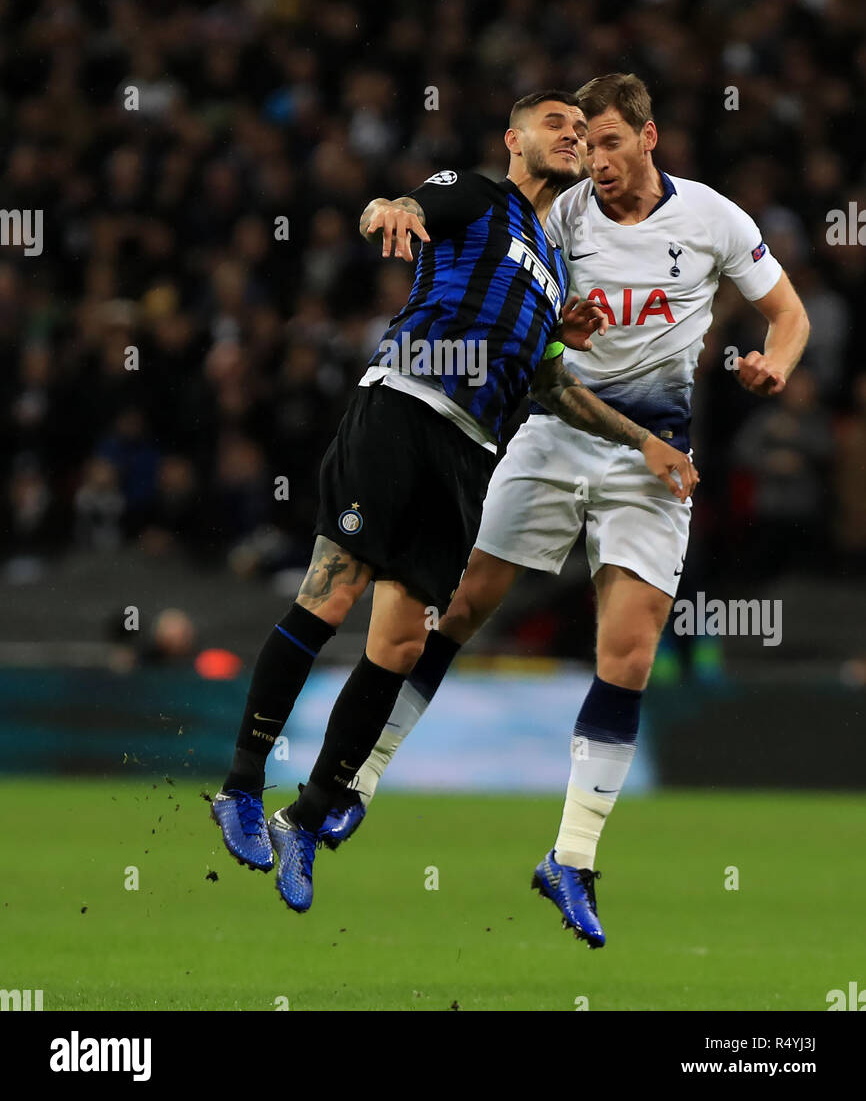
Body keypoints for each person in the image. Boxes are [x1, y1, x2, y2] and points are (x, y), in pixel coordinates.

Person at [324, 73, 810, 948]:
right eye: (585, 142)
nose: (597, 159)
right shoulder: (559, 215)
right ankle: (355, 786)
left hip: (653, 455)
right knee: (461, 605)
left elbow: (789, 313)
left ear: (649, 136)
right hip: (553, 432)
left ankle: (572, 860)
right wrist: (396, 203)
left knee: (628, 650)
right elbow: (472, 233)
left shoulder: (713, 219)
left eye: (612, 142)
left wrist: (775, 365)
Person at [211, 89, 697, 913]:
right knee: (332, 593)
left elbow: (549, 387)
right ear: (514, 139)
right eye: (558, 124)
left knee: (401, 646)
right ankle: (243, 785)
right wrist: (386, 209)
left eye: (583, 130)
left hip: (470, 455)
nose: (575, 137)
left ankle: (311, 816)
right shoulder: (477, 195)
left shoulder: (553, 265)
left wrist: (641, 439)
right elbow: (402, 205)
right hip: (402, 409)